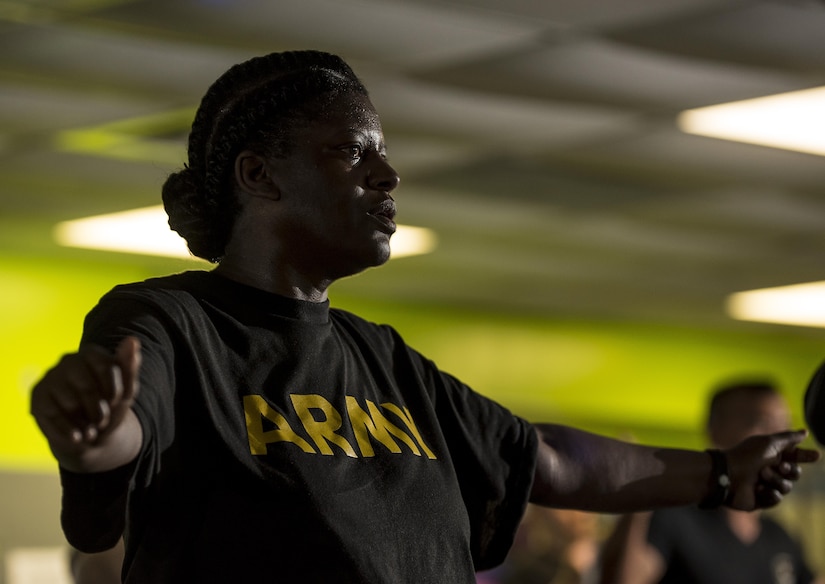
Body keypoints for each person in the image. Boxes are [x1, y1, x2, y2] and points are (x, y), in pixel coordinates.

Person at [29, 50, 818, 584]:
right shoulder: (174, 322)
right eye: (350, 152)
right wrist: (97, 441)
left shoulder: (384, 359)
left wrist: (718, 473)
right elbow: (128, 433)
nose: (388, 174)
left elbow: (544, 459)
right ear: (258, 175)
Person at [599, 379, 822, 584]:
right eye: (763, 423)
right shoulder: (676, 519)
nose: (779, 438)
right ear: (716, 430)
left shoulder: (779, 538)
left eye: (785, 424)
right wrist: (640, 489)